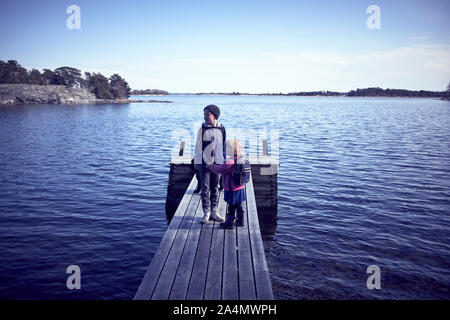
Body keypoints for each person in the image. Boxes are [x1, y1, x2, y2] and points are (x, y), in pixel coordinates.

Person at [194, 104, 226, 224]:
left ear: (215, 116)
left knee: (215, 188)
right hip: (204, 164)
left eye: (208, 114)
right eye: (204, 114)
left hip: (217, 164)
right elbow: (198, 147)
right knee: (205, 189)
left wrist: (222, 162)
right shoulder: (202, 129)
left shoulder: (222, 129)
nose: (205, 117)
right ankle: (206, 212)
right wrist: (199, 163)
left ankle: (214, 212)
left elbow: (223, 146)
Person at [206, 139, 246, 228]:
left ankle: (229, 223)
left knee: (231, 206)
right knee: (238, 205)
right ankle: (240, 221)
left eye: (227, 148)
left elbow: (220, 169)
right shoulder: (241, 158)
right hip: (240, 187)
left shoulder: (230, 161)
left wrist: (211, 166)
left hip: (232, 188)